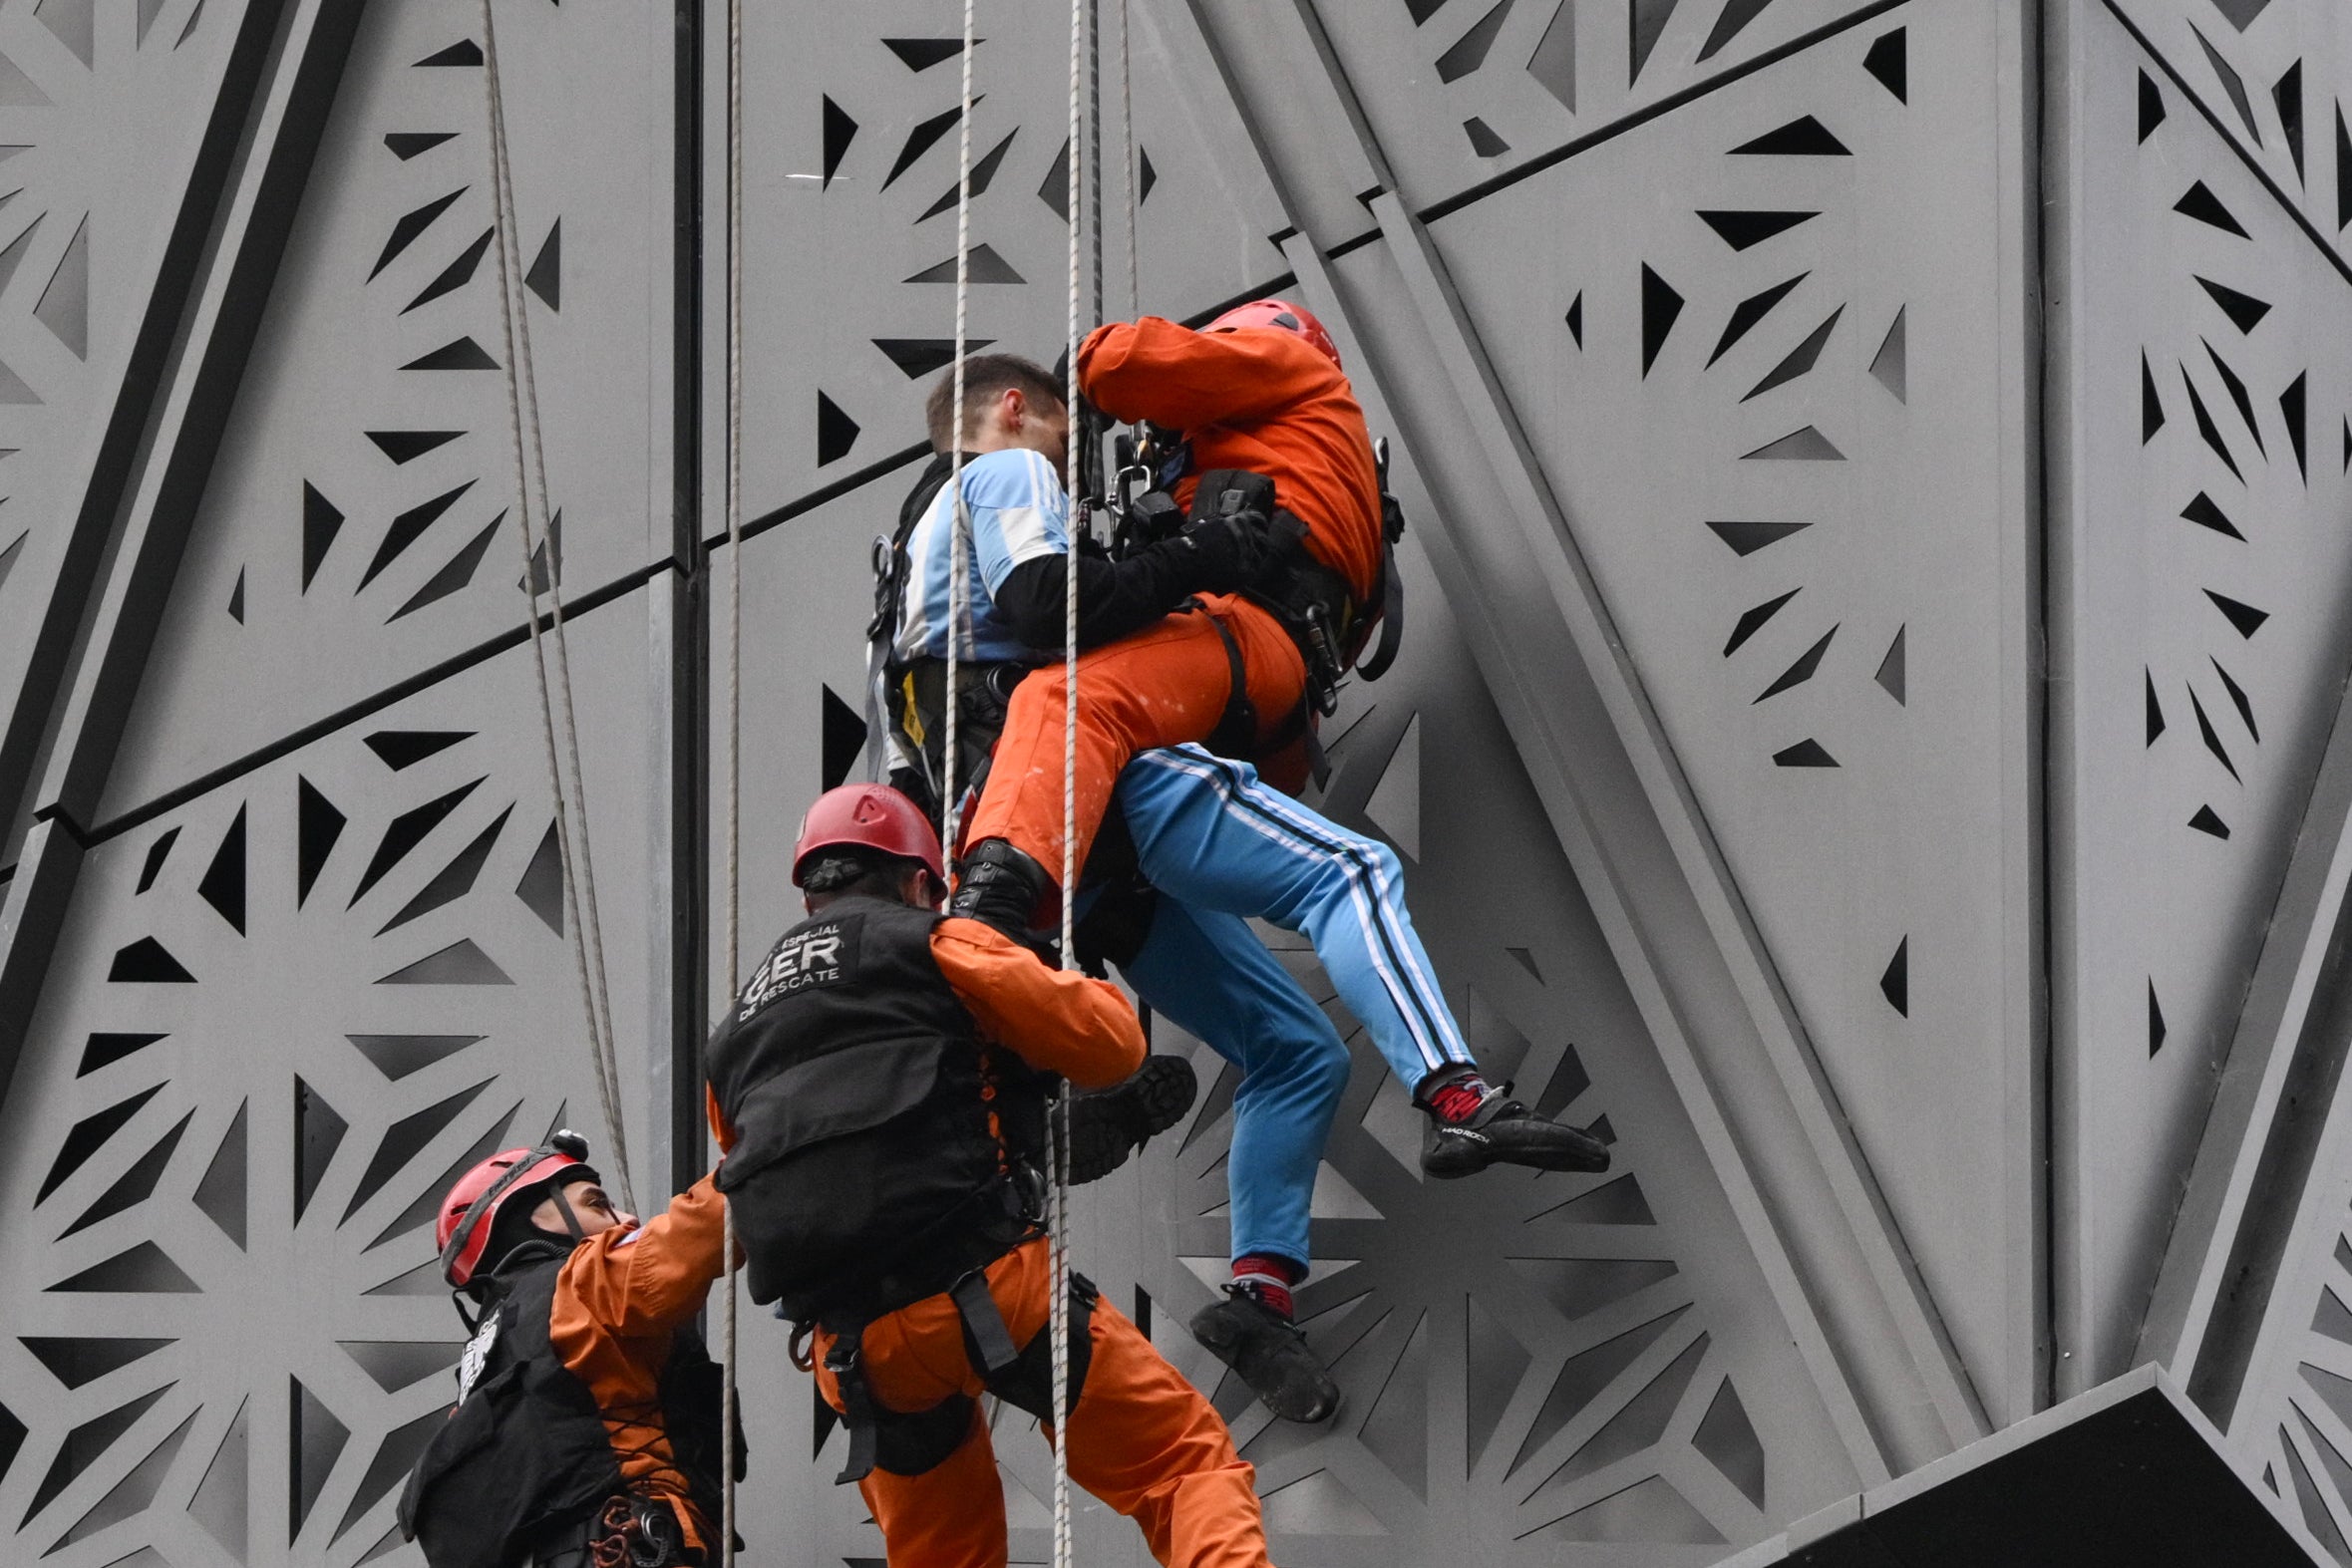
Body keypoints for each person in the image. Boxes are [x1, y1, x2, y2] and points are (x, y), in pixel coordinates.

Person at [866, 336, 1609, 1426]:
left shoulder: (904, 576)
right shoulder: (1005, 467)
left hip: (1037, 834)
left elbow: (913, 752)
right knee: (1348, 869)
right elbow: (1046, 603)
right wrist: (1207, 555)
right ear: (1018, 408)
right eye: (1069, 440)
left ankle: (1255, 1294)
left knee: (1293, 1052)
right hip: (1093, 795)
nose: (1075, 465)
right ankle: (1456, 1096)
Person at [703, 783, 1273, 1568]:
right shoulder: (933, 939)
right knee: (1184, 1465)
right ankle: (1023, 1120)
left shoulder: (730, 1039)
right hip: (990, 1286)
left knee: (945, 1556)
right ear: (916, 880)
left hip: (856, 1353)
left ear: (811, 892)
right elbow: (1113, 1045)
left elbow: (744, 1171)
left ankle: (1015, 1116)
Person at [398, 1136, 734, 1568]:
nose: (627, 1217)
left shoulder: (488, 1359)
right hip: (627, 1548)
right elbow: (706, 1228)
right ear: (527, 1222)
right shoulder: (581, 1282)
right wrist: (769, 1133)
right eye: (596, 1204)